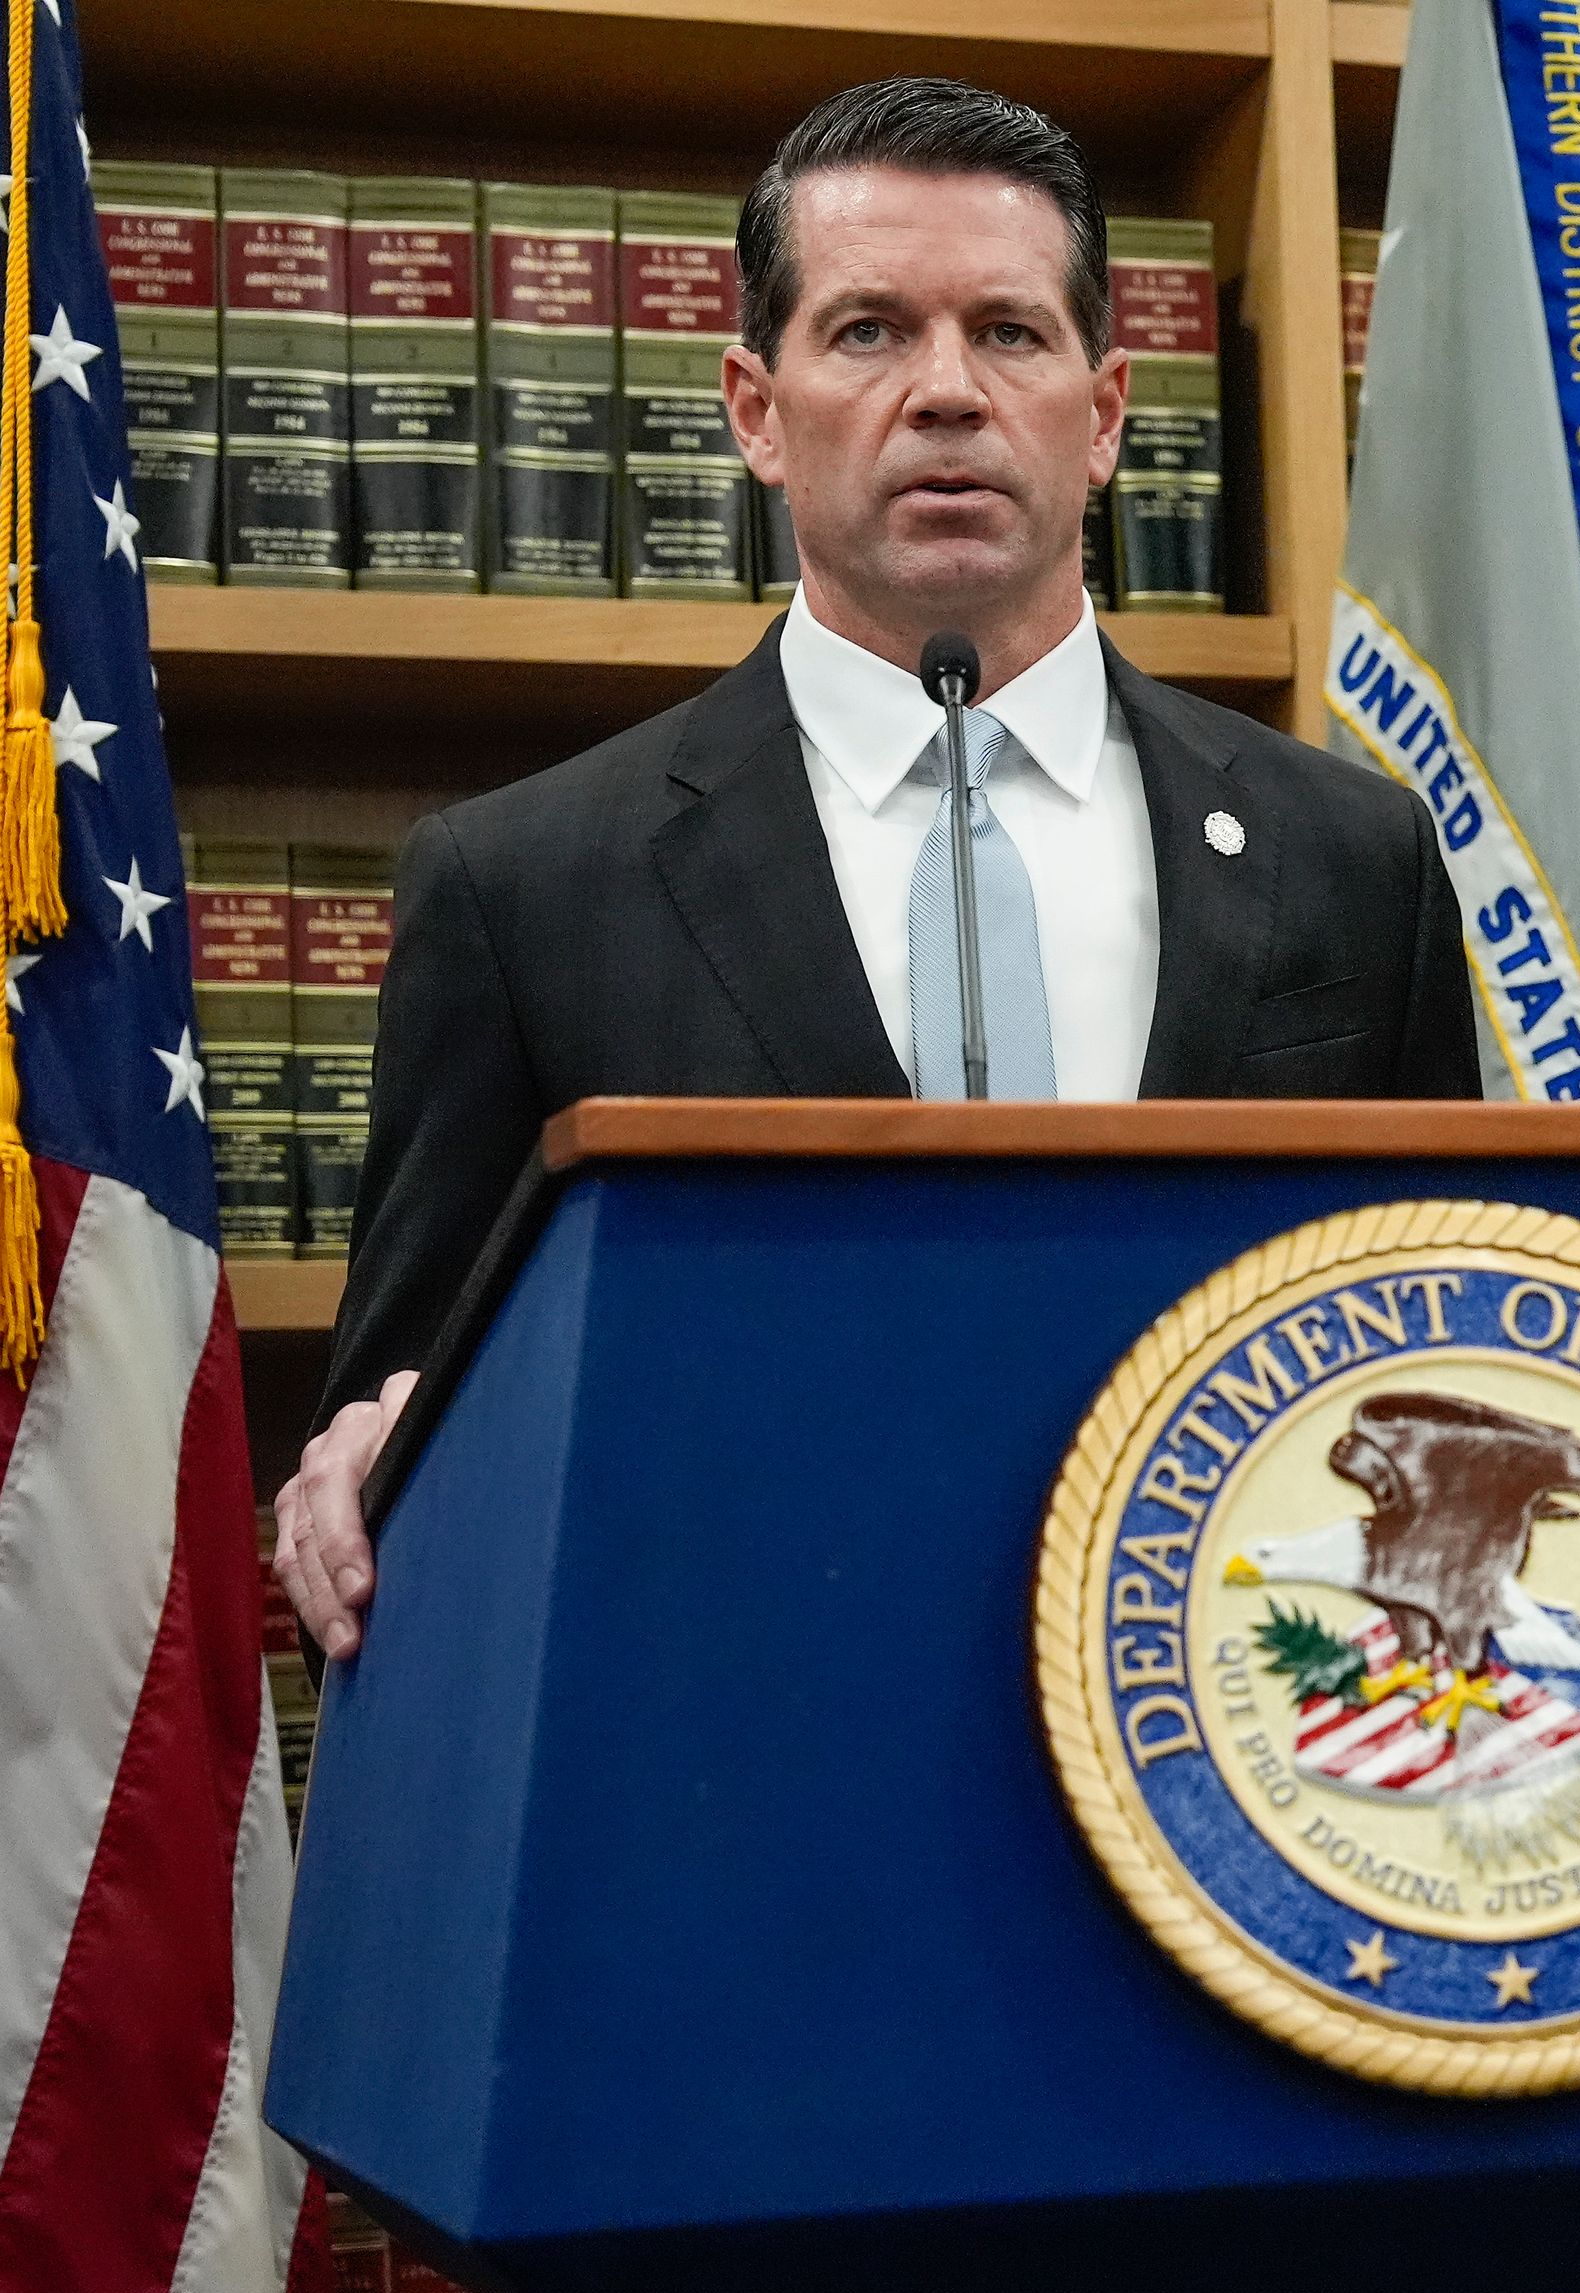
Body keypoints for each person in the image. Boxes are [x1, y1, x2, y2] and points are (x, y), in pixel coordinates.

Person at [273, 77, 1479, 1662]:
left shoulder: (1354, 854)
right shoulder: (525, 886)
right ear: (754, 414)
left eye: (1011, 331)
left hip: (1246, 1708)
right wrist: (368, 1460)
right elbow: (421, 1410)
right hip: (744, 1707)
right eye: (866, 333)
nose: (948, 392)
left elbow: (1447, 1340)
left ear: (1106, 414)